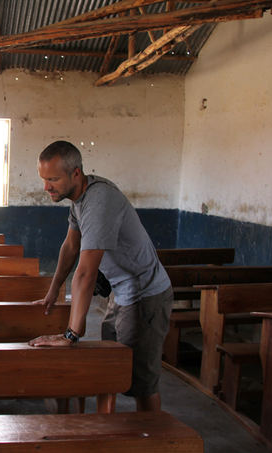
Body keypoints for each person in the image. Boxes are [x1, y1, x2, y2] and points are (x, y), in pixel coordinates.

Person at [28, 140, 173, 412]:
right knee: (109, 369)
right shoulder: (78, 200)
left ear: (76, 173)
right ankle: (103, 431)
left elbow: (85, 272)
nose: (46, 187)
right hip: (122, 293)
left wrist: (71, 334)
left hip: (145, 296)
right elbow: (71, 246)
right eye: (44, 179)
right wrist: (53, 289)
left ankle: (154, 438)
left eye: (53, 179)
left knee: (141, 382)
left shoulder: (99, 201)